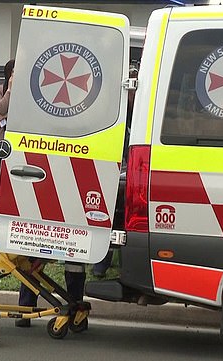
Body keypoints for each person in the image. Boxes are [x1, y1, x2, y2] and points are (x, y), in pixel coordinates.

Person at [92, 62, 138, 278]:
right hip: (112, 165)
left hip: (133, 168)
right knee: (108, 214)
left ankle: (115, 262)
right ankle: (101, 262)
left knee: (123, 215)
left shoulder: (140, 107)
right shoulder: (114, 108)